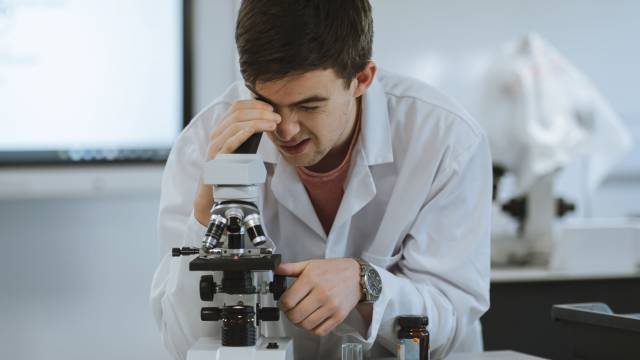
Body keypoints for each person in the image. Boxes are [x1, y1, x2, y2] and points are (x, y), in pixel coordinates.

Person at [150, 0, 492, 359]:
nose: (286, 129)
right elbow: (181, 342)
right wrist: (206, 210)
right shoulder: (204, 143)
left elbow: (450, 320)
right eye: (265, 101)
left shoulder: (445, 140)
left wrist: (366, 284)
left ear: (362, 79)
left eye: (309, 106)